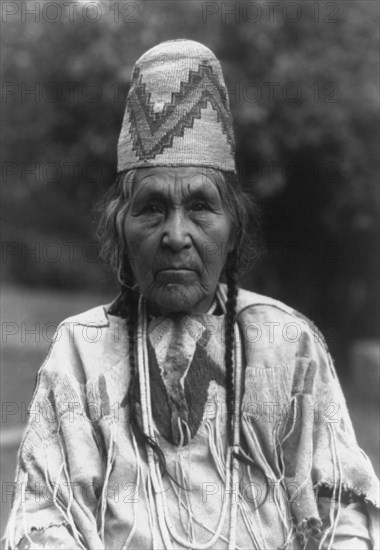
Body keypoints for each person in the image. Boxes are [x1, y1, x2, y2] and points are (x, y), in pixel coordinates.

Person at [5, 39, 379, 550]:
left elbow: (346, 510)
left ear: (233, 229)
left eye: (200, 207)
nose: (176, 235)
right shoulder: (80, 352)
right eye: (152, 208)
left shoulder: (289, 344)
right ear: (121, 229)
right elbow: (41, 518)